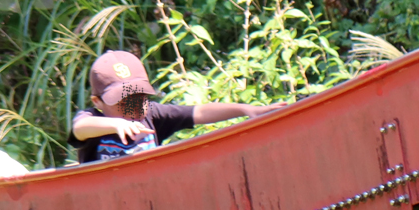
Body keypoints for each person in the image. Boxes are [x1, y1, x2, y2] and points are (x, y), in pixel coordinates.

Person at [70, 50, 285, 164]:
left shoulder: (152, 115)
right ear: (98, 102)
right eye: (122, 102)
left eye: (138, 97)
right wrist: (115, 124)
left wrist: (246, 109)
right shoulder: (92, 118)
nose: (132, 107)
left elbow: (198, 112)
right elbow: (80, 128)